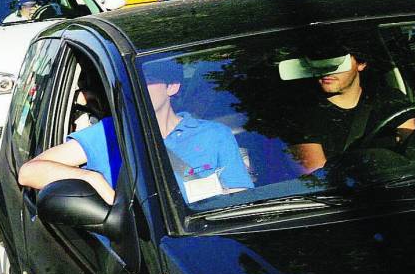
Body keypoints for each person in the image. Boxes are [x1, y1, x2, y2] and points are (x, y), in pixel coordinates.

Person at [19, 59, 253, 204]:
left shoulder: (215, 135)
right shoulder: (111, 132)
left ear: (172, 87)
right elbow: (29, 172)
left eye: (148, 79)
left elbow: (240, 200)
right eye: (131, 81)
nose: (138, 87)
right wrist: (91, 179)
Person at [283, 49, 415, 174]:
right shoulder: (303, 116)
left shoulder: (388, 98)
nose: (326, 70)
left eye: (336, 62)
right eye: (319, 62)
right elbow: (320, 180)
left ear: (361, 64)